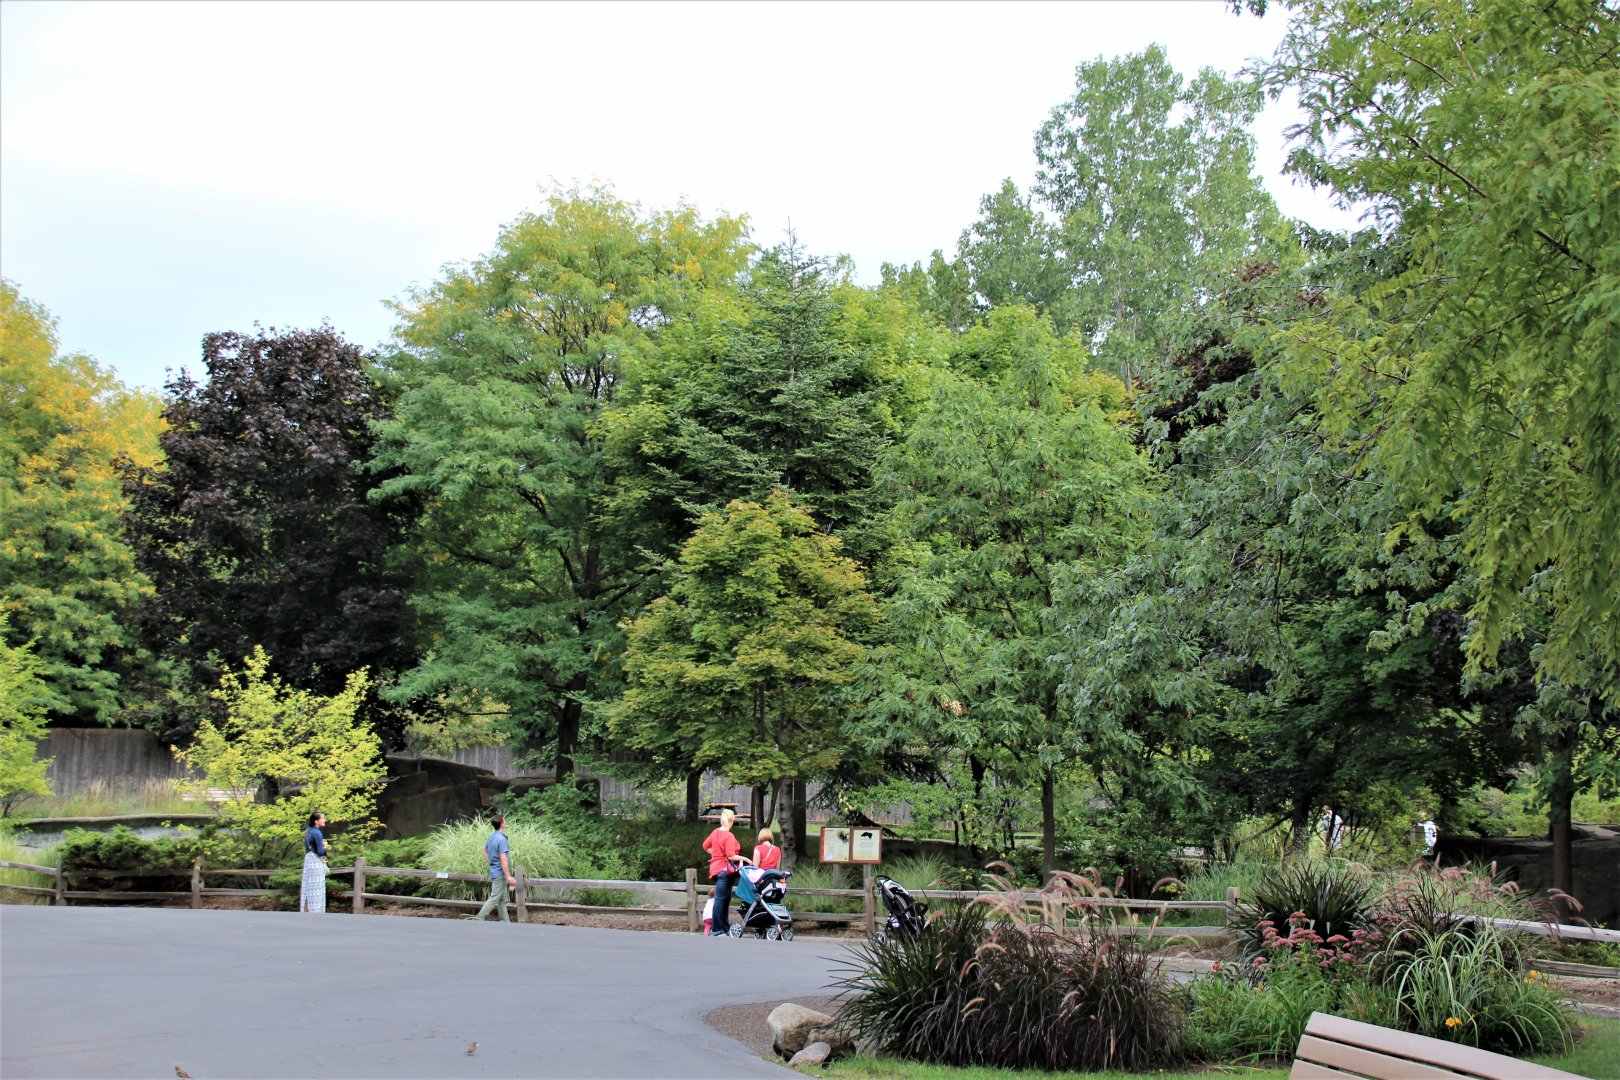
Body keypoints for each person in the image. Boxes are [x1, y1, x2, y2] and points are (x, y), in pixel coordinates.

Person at [702, 808, 743, 937]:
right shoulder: (729, 835)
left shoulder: (715, 832)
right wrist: (746, 859)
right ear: (731, 821)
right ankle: (717, 929)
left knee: (724, 899)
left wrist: (715, 855)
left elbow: (705, 846)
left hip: (715, 869)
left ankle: (724, 928)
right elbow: (731, 856)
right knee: (721, 900)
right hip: (725, 871)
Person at [473, 814, 517, 922]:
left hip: (495, 870)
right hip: (500, 873)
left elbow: (485, 851)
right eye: (504, 821)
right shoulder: (501, 840)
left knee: (502, 900)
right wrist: (508, 876)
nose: (505, 822)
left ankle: (505, 921)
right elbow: (503, 858)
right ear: (502, 824)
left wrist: (491, 863)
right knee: (494, 898)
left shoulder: (492, 837)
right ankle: (479, 918)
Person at [301, 812, 329, 913]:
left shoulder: (308, 831)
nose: (324, 820)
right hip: (315, 862)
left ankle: (306, 909)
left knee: (307, 887)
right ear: (316, 821)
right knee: (317, 888)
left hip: (308, 859)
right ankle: (316, 910)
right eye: (323, 818)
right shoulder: (317, 833)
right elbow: (320, 851)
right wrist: (325, 846)